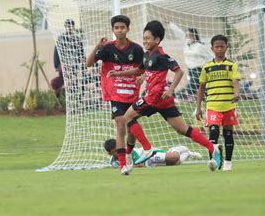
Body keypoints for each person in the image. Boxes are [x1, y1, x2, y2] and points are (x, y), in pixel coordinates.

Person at [107, 20, 223, 172]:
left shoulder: (161, 55)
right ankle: (212, 147)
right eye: (144, 38)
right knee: (182, 129)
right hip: (162, 100)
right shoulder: (147, 55)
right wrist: (118, 73)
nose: (145, 41)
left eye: (148, 38)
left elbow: (179, 71)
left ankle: (146, 148)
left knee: (127, 117)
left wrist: (171, 89)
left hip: (155, 96)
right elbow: (139, 71)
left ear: (157, 40)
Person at [86, 15, 152, 175]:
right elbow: (88, 63)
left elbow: (144, 69)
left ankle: (129, 154)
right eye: (116, 28)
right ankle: (124, 164)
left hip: (131, 93)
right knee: (121, 125)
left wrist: (142, 77)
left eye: (122, 27)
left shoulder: (136, 49)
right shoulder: (107, 48)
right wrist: (97, 46)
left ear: (128, 29)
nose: (119, 30)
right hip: (114, 94)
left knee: (131, 129)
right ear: (113, 30)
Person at [195, 35, 241, 172]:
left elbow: (236, 81)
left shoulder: (231, 65)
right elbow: (201, 88)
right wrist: (198, 108)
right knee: (213, 132)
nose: (219, 49)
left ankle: (228, 161)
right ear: (212, 48)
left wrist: (236, 93)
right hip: (213, 105)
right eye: (217, 47)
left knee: (228, 134)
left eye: (222, 46)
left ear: (227, 47)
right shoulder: (207, 67)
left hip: (228, 105)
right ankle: (213, 161)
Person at [169, 22, 213, 101]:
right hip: (190, 70)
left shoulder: (200, 46)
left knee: (191, 87)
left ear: (194, 36)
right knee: (199, 88)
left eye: (190, 35)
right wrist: (170, 24)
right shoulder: (186, 43)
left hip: (199, 70)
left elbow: (211, 57)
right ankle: (207, 99)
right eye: (187, 35)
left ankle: (180, 97)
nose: (188, 37)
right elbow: (179, 32)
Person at [104, 138, 202, 168]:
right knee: (176, 163)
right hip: (149, 165)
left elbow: (140, 164)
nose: (119, 152)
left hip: (150, 155)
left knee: (174, 157)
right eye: (115, 152)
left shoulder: (129, 151)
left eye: (118, 149)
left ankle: (180, 149)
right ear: (110, 154)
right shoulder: (113, 163)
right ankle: (188, 154)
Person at [56, 19, 86, 93]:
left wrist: (80, 61)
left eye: (71, 26)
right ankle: (64, 95)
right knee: (65, 80)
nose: (69, 27)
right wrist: (57, 65)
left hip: (74, 63)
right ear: (65, 27)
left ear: (73, 27)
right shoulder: (61, 38)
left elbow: (81, 51)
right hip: (64, 64)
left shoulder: (77, 38)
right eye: (68, 26)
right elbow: (56, 52)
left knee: (74, 81)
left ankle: (74, 95)